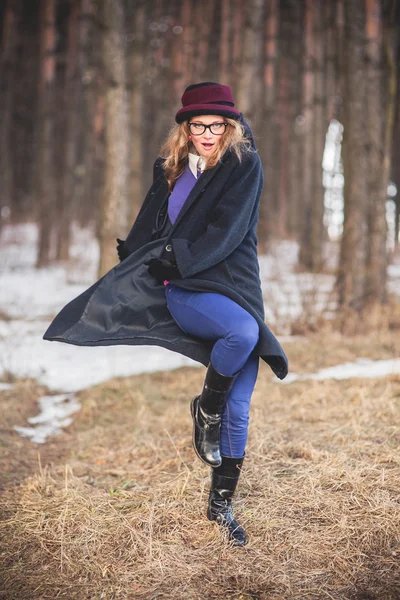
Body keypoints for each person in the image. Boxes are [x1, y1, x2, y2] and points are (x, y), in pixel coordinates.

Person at [44, 82, 288, 547]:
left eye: (217, 125)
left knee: (240, 399)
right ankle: (205, 409)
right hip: (186, 288)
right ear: (185, 127)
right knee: (239, 333)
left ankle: (220, 505)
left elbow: (229, 230)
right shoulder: (172, 168)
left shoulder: (243, 163)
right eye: (198, 126)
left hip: (232, 281)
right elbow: (151, 218)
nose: (208, 134)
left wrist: (182, 255)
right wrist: (136, 255)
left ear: (230, 125)